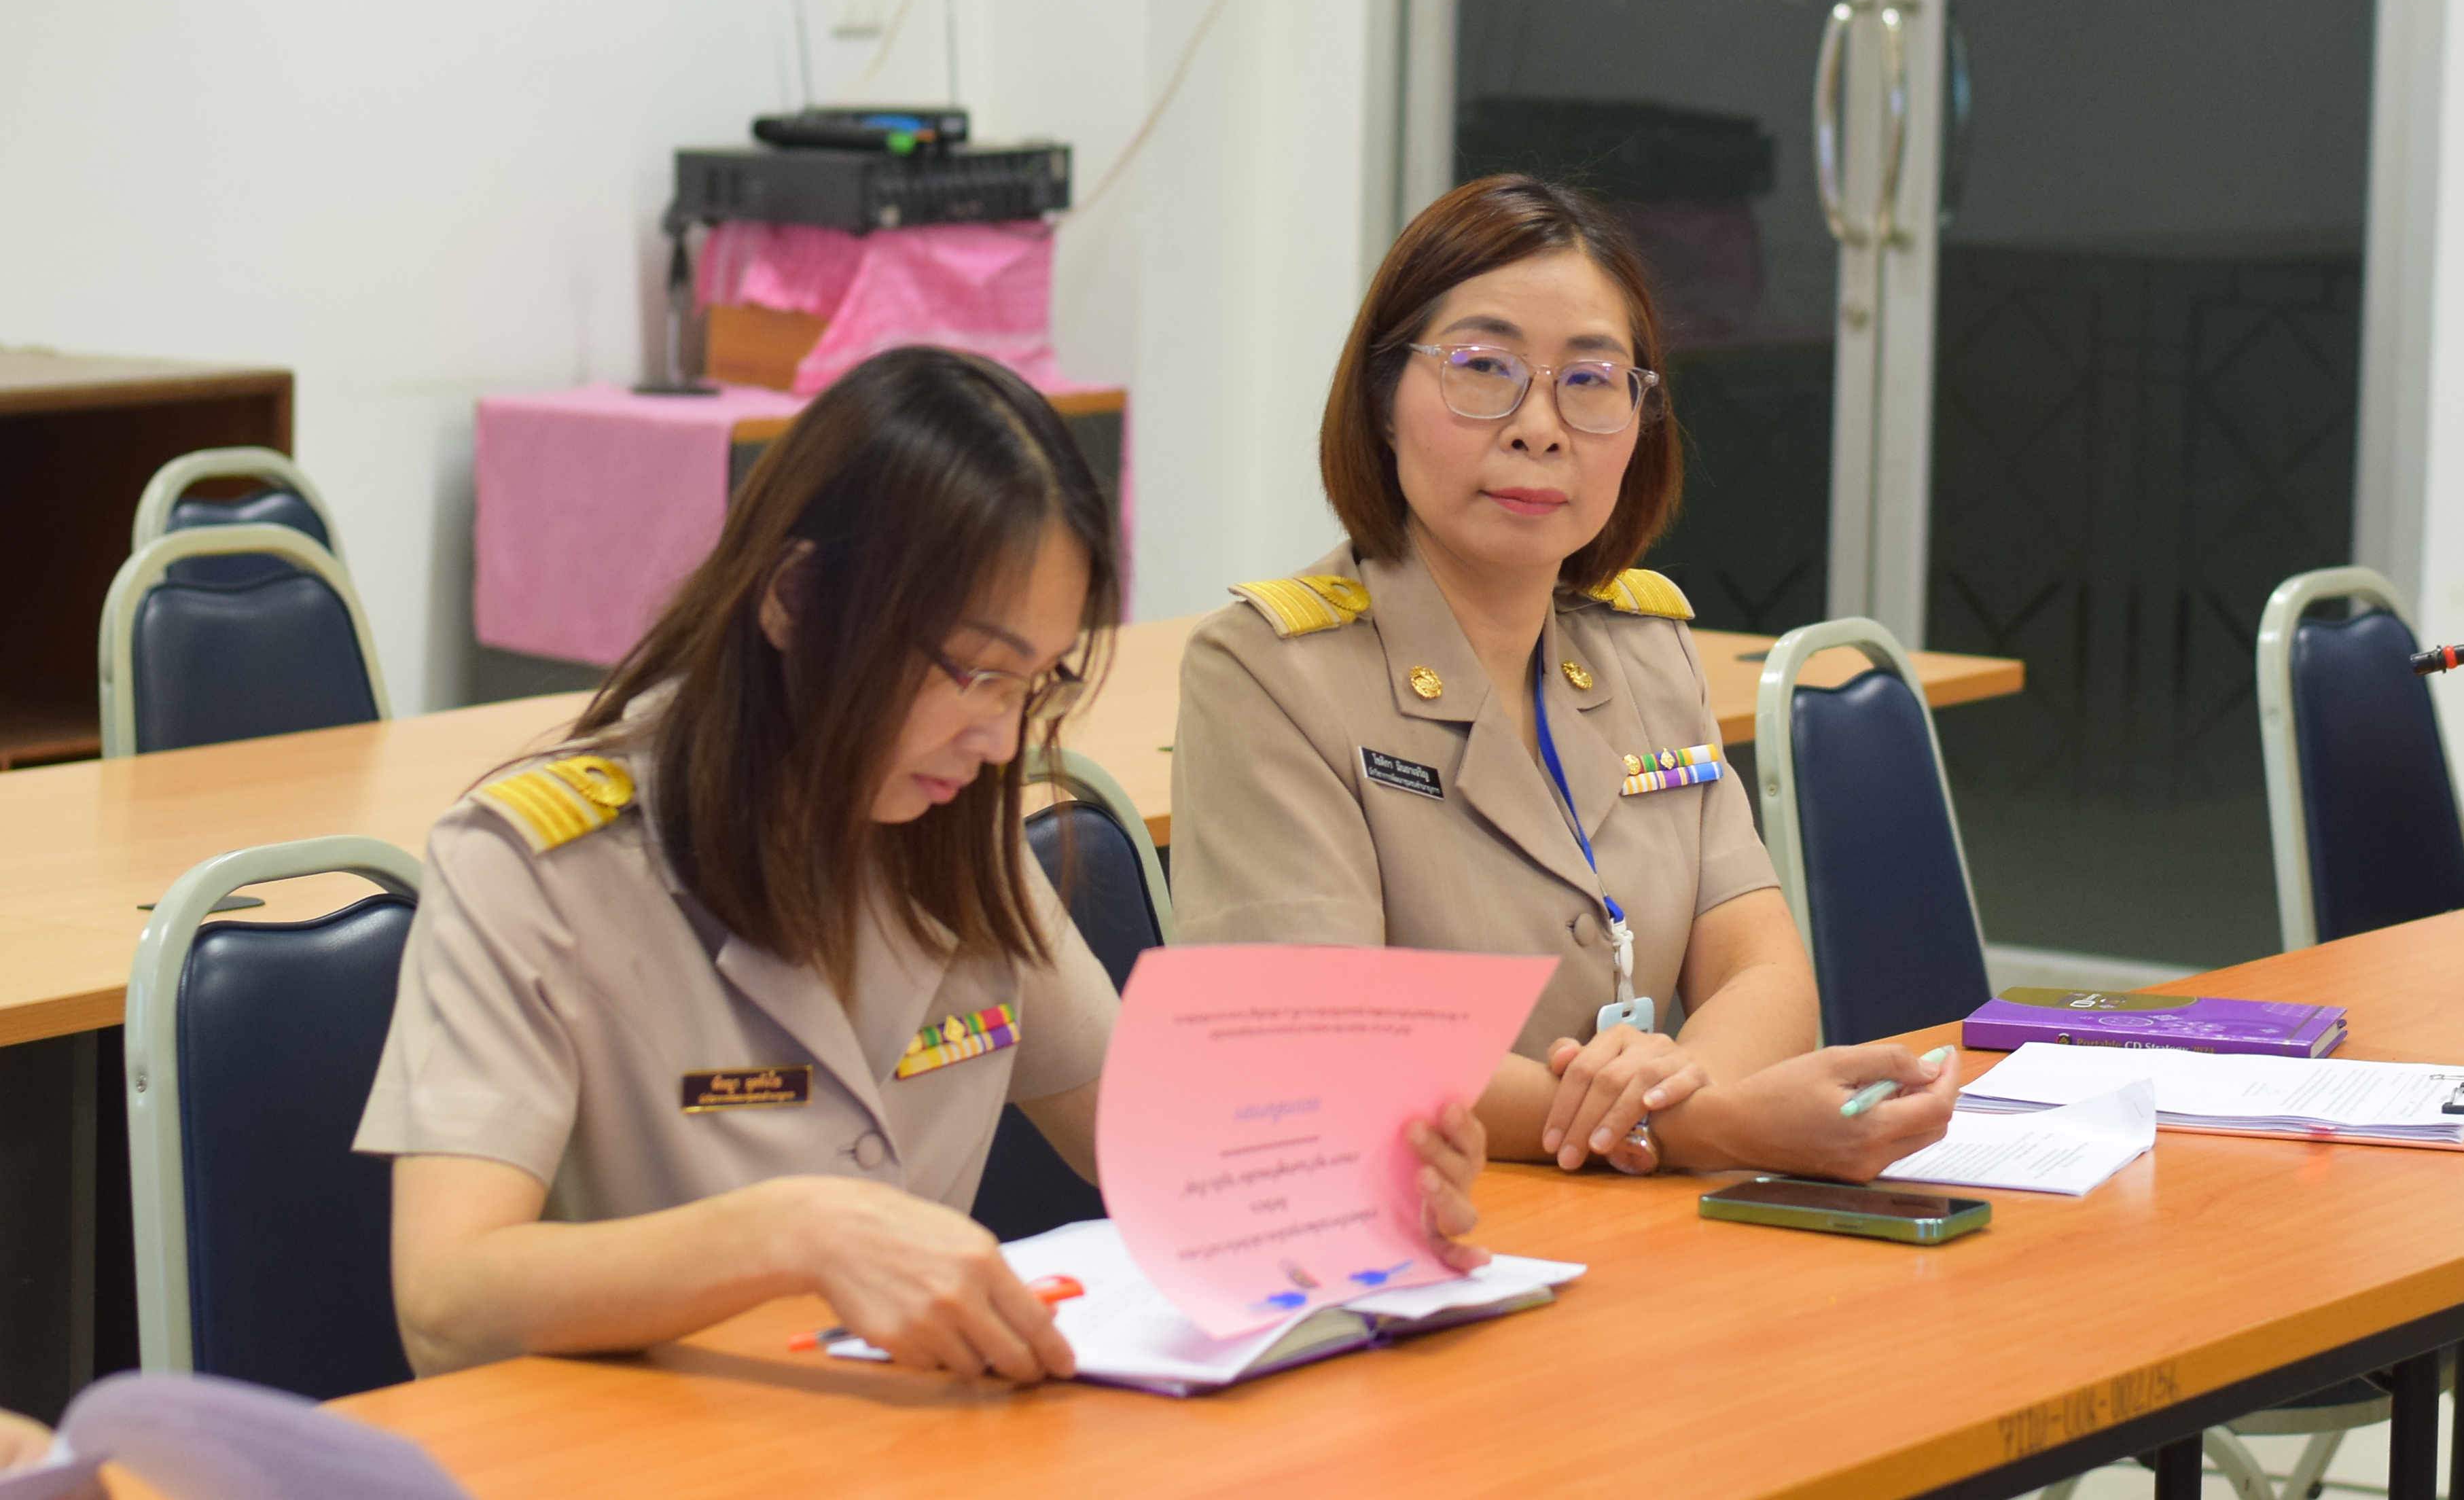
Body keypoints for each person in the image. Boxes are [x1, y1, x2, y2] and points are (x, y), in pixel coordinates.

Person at [357, 348, 1485, 1382]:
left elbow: (1152, 1148)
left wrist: (1359, 1179)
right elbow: (449, 1299)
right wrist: (790, 1233)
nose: (1000, 742)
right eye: (971, 672)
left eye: (1033, 685)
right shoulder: (538, 863)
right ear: (795, 599)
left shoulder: (954, 835)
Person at [1168, 175, 1959, 1181]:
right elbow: (1329, 1045)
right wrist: (1689, 1132)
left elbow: (1763, 968)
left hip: (1640, 1231)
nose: (1539, 425)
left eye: (1590, 381)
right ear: (1380, 400)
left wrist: (1672, 1097)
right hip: (1420, 1241)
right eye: (1482, 368)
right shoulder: (1268, 674)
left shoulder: (1646, 647)